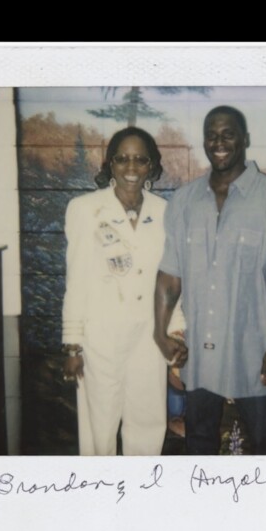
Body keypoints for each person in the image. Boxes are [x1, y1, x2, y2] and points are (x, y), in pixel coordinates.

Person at [154, 106, 266, 455]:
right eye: (212, 134)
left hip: (253, 348)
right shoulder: (183, 202)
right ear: (204, 141)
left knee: (265, 438)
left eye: (228, 133)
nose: (219, 142)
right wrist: (159, 332)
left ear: (245, 139)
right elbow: (169, 275)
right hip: (198, 353)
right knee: (198, 438)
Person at [62, 127, 185, 455]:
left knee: (148, 422)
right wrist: (73, 346)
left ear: (151, 165)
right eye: (122, 158)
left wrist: (175, 330)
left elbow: (171, 277)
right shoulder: (84, 209)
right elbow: (76, 280)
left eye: (140, 159)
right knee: (99, 426)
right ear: (110, 164)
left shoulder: (164, 211)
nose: (131, 167)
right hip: (100, 336)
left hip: (149, 334)